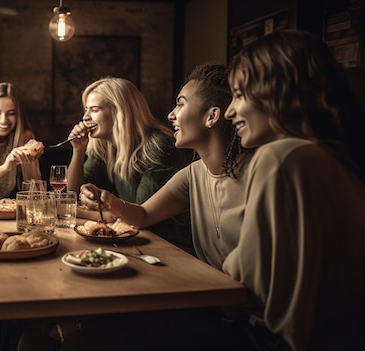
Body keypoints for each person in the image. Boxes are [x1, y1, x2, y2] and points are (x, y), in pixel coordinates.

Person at [19, 65, 256, 351]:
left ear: (212, 116)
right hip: (184, 282)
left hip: (202, 291)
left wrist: (85, 209)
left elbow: (141, 220)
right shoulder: (193, 173)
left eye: (180, 104)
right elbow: (140, 214)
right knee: (39, 334)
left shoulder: (255, 173)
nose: (170, 114)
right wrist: (111, 200)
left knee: (72, 337)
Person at [220, 29, 365, 350]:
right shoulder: (335, 159)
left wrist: (232, 262)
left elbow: (250, 277)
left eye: (240, 94)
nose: (230, 111)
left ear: (278, 90)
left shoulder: (283, 156)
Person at [66, 77, 194, 254]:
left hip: (170, 246)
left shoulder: (159, 146)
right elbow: (72, 195)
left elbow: (137, 216)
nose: (85, 117)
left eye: (94, 110)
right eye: (86, 110)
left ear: (119, 112)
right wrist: (78, 151)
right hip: (135, 242)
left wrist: (70, 210)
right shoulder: (106, 146)